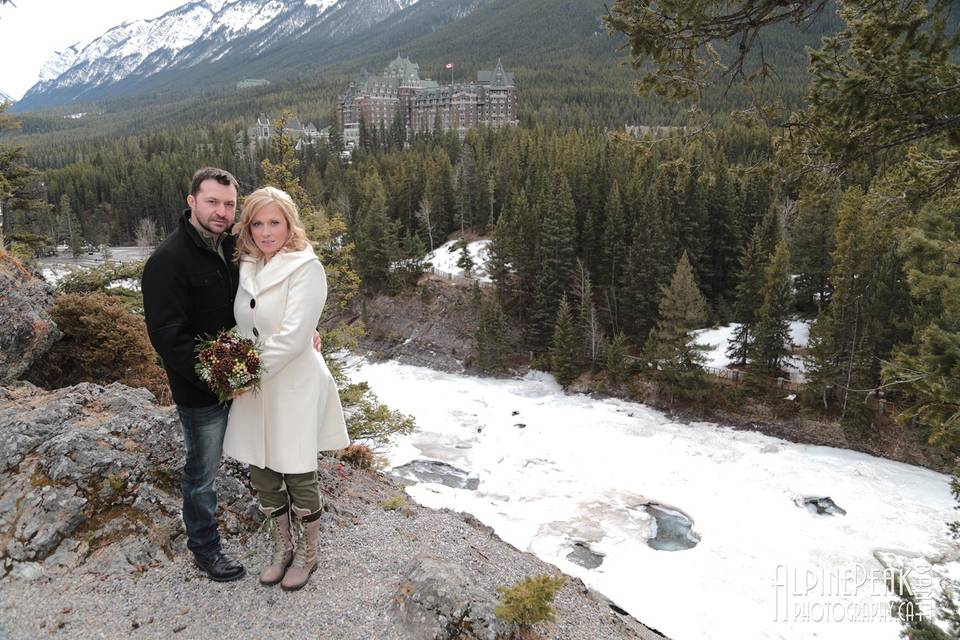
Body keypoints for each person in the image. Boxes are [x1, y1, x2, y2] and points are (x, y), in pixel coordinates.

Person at [223, 186, 349, 591]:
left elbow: (296, 338)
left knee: (296, 469)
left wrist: (246, 373)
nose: (265, 231)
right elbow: (245, 324)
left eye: (274, 222)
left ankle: (310, 554)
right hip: (255, 386)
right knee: (261, 468)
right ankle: (283, 547)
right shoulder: (245, 264)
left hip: (291, 381)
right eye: (257, 223)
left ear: (289, 223)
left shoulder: (306, 267)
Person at [142, 167, 246, 582]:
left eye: (229, 204)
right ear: (191, 202)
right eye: (212, 202)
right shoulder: (168, 260)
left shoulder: (236, 247)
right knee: (202, 473)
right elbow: (169, 338)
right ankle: (205, 548)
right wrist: (219, 379)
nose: (221, 212)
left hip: (246, 379)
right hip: (201, 391)